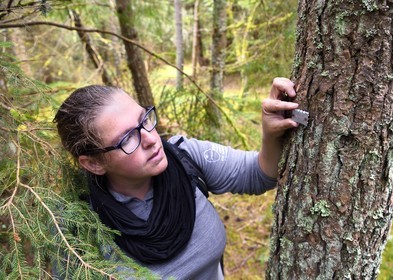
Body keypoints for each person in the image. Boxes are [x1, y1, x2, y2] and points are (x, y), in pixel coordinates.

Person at [54, 77, 300, 279]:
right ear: (94, 163)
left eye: (144, 120)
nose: (151, 139)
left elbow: (259, 174)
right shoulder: (76, 228)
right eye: (128, 138)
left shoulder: (185, 157)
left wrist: (270, 133)